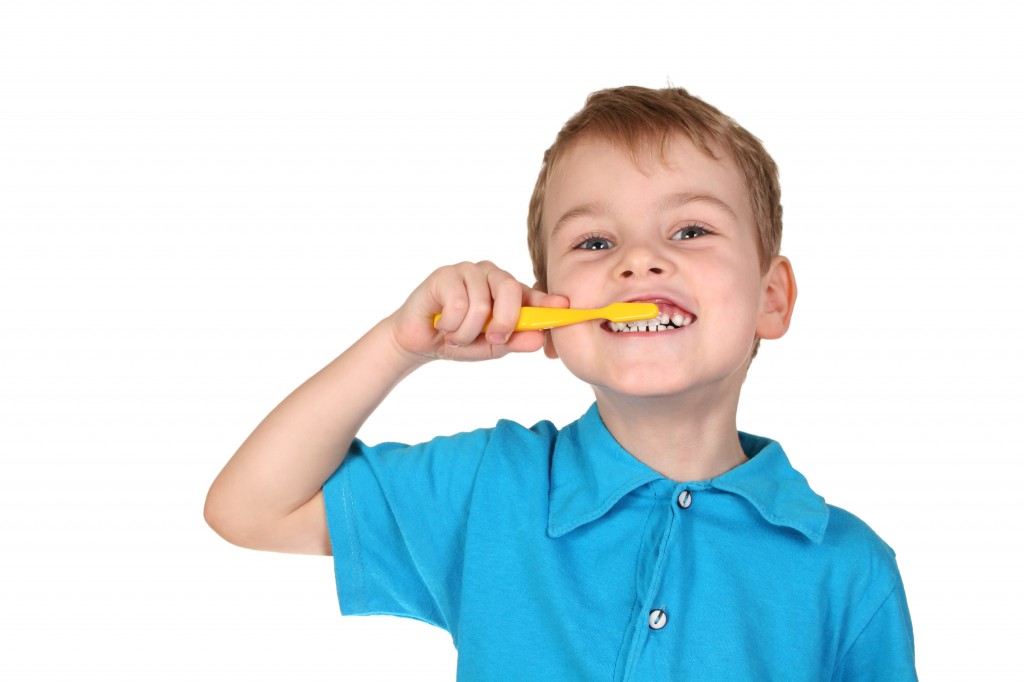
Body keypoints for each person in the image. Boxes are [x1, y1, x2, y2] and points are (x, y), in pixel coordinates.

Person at [205, 86, 917, 680]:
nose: (638, 261)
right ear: (546, 310)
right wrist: (399, 344)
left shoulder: (849, 571)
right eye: (595, 243)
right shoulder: (488, 488)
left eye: (690, 230)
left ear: (771, 297)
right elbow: (248, 509)